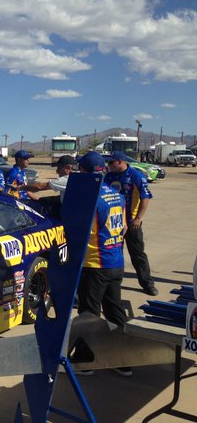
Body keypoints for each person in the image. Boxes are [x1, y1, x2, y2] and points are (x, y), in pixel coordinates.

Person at [75, 151, 131, 377]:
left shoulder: (91, 198)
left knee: (88, 313)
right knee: (114, 311)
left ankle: (84, 362)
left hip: (96, 264)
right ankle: (124, 360)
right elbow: (124, 227)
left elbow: (79, 230)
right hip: (116, 261)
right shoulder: (116, 195)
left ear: (85, 172)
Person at [104, 151, 158, 296]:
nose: (108, 165)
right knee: (115, 254)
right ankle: (115, 284)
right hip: (114, 224)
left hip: (132, 223)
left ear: (120, 161)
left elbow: (145, 198)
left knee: (138, 254)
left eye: (111, 162)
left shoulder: (136, 176)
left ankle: (147, 283)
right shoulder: (108, 176)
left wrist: (138, 218)